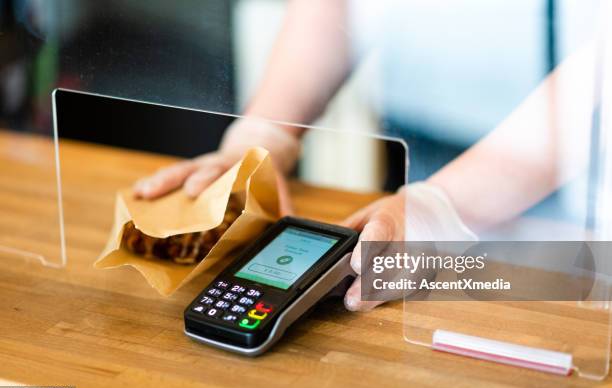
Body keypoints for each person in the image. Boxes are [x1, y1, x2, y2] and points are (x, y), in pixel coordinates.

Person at [133, 0, 596, 311]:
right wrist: (265, 136)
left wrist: (446, 205)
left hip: (588, 209)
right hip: (425, 173)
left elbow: (599, 79)